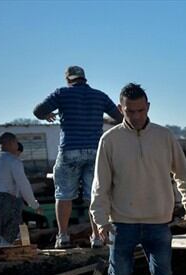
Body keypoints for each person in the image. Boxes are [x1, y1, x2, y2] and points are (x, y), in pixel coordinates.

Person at [90, 83, 186, 275]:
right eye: (130, 111)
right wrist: (100, 219)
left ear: (148, 107)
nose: (136, 116)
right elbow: (100, 184)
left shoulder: (164, 137)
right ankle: (115, 274)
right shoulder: (110, 140)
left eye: (140, 110)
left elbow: (183, 175)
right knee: (123, 273)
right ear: (120, 109)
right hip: (124, 223)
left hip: (158, 223)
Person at [33, 65, 123, 248]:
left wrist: (47, 115)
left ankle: (63, 236)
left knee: (64, 194)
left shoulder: (62, 93)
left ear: (68, 79)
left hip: (70, 150)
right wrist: (103, 120)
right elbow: (120, 118)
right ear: (85, 78)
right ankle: (97, 238)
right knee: (94, 195)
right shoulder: (100, 96)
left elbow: (38, 111)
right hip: (95, 151)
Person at [0, 132, 40, 247]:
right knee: (7, 238)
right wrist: (34, 204)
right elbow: (23, 184)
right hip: (8, 202)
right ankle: (7, 260)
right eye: (16, 142)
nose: (17, 145)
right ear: (10, 143)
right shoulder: (13, 160)